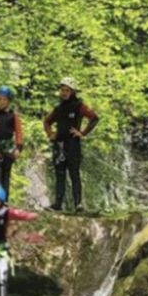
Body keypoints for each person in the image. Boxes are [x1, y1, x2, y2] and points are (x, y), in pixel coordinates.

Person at [43, 77, 99, 211]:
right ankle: (57, 204)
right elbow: (46, 122)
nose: (64, 93)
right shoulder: (58, 108)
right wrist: (50, 134)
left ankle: (78, 204)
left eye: (67, 90)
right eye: (62, 90)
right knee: (60, 174)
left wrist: (83, 133)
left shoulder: (79, 106)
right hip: (59, 145)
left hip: (73, 144)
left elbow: (94, 118)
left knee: (74, 173)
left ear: (72, 91)